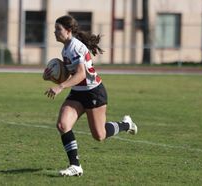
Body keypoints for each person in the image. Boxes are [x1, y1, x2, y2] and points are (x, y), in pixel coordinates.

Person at [44, 15, 138, 177]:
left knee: (99, 135)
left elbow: (81, 74)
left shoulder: (75, 47)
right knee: (62, 125)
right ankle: (75, 166)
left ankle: (125, 124)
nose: (55, 32)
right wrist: (50, 76)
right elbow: (69, 74)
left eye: (58, 29)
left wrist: (60, 86)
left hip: (93, 92)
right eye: (55, 29)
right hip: (77, 93)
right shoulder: (65, 48)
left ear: (68, 31)